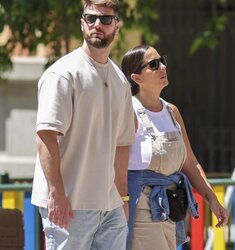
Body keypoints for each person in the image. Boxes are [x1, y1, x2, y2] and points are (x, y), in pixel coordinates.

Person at [31, 0, 135, 249]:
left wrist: (122, 198)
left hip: (109, 207)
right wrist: (56, 194)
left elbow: (122, 144)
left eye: (106, 19)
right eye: (91, 18)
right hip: (69, 205)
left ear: (117, 27)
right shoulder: (63, 74)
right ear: (82, 24)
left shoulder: (120, 81)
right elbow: (46, 136)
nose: (97, 25)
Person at [121, 45, 228, 250]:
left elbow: (189, 162)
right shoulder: (129, 112)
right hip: (140, 207)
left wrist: (212, 200)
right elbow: (115, 162)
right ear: (136, 78)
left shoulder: (172, 111)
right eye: (153, 64)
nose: (162, 66)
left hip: (170, 206)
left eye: (162, 60)